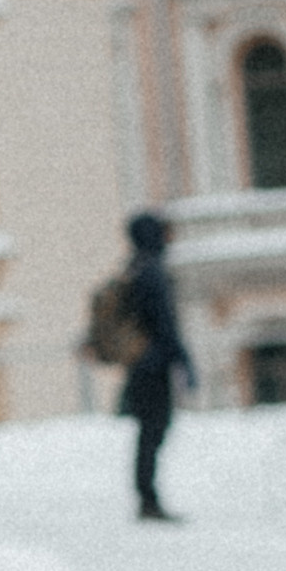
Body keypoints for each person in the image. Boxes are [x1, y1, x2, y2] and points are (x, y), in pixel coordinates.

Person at [119, 210, 197, 522]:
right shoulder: (152, 272)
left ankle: (146, 496)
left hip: (140, 364)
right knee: (153, 432)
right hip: (154, 366)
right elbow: (165, 324)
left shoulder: (134, 269)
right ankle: (148, 499)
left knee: (147, 433)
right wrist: (183, 360)